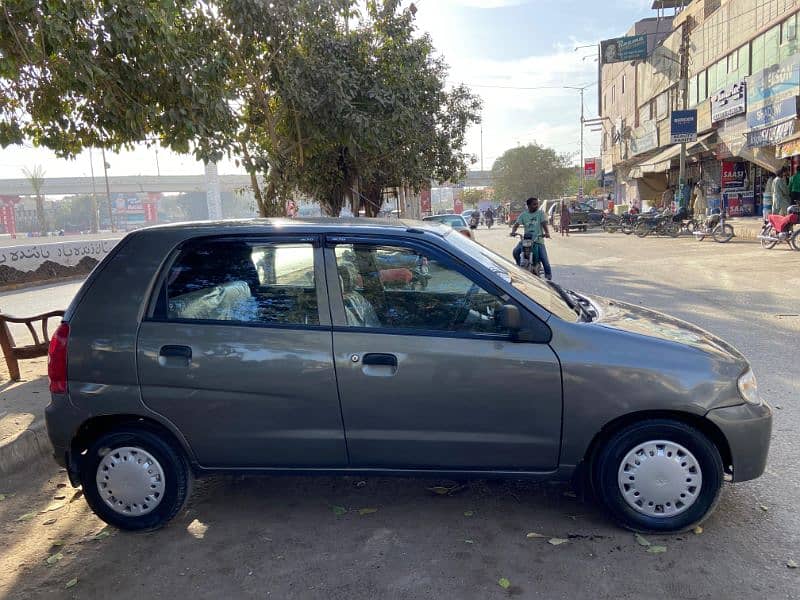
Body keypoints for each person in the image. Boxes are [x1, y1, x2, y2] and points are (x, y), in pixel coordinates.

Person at [510, 197, 552, 280]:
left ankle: (548, 275)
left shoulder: (540, 213)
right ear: (528, 205)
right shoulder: (523, 215)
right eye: (534, 204)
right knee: (515, 252)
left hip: (538, 240)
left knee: (544, 260)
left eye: (537, 204)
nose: (536, 206)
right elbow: (516, 224)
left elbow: (544, 223)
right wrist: (513, 232)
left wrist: (547, 233)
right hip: (526, 240)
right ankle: (520, 267)